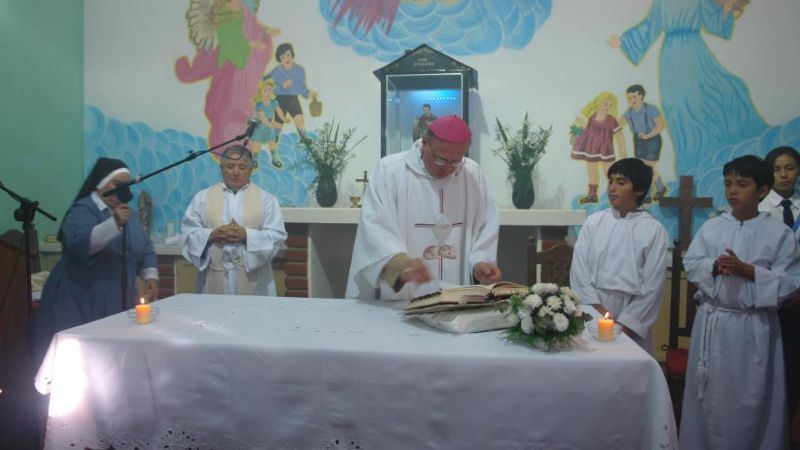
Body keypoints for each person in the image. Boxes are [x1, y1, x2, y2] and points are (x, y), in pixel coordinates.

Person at [679, 155, 800, 450]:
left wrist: (749, 271)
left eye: (742, 185)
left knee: (747, 401)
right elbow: (692, 263)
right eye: (728, 184)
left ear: (761, 191)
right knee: (705, 397)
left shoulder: (778, 233)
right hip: (713, 321)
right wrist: (713, 267)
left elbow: (792, 281)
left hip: (752, 328)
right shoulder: (712, 227)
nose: (732, 191)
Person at [346, 115, 502, 301]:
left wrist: (480, 262)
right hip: (403, 298)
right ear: (425, 142)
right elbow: (375, 227)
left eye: (455, 161)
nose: (448, 169)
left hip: (456, 298)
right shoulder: (390, 171)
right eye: (441, 160)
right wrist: (399, 265)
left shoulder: (472, 174)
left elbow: (485, 225)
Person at [34, 158, 159, 359]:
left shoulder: (130, 214)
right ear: (101, 185)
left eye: (125, 185)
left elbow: (144, 247)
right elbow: (80, 244)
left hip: (119, 296)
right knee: (82, 355)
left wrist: (150, 276)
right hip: (81, 294)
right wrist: (114, 223)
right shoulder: (83, 210)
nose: (121, 190)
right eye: (117, 185)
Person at [569, 158, 667, 353]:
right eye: (610, 181)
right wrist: (598, 312)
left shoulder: (653, 230)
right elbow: (579, 271)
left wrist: (626, 324)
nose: (612, 188)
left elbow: (653, 285)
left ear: (638, 190)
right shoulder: (594, 223)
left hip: (632, 311)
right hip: (594, 306)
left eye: (621, 183)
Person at [182, 145, 287, 295]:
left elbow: (277, 237)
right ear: (221, 168)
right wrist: (211, 235)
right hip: (214, 276)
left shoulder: (267, 200)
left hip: (254, 280)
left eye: (242, 167)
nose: (236, 172)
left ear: (251, 170)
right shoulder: (202, 198)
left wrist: (247, 236)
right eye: (230, 166)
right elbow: (188, 234)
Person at [759, 145, 800, 430]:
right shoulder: (759, 210)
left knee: (794, 369)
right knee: (768, 368)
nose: (784, 175)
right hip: (769, 299)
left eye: (790, 167)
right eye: (777, 168)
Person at [570, 91, 628, 204]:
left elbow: (619, 137)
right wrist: (575, 134)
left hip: (605, 150)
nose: (608, 107)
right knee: (592, 171)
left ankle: (619, 194)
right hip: (591, 149)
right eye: (606, 104)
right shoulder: (592, 117)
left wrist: (623, 151)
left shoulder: (612, 120)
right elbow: (586, 130)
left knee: (610, 173)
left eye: (610, 105)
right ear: (599, 103)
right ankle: (592, 195)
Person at [617, 84, 667, 202]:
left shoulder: (651, 109)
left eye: (634, 97)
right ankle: (659, 187)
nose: (631, 100)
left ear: (641, 96)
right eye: (629, 98)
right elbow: (617, 125)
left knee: (648, 167)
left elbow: (661, 125)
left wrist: (648, 135)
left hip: (652, 139)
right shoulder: (628, 113)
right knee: (643, 167)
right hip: (638, 140)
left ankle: (649, 192)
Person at [265, 43, 318, 134]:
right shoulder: (277, 71)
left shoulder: (300, 70)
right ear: (279, 59)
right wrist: (281, 86)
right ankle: (274, 144)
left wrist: (310, 93)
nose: (286, 59)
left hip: (293, 100)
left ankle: (304, 143)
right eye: (282, 57)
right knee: (278, 127)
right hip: (280, 101)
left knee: (300, 121)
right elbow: (265, 82)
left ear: (292, 55)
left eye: (288, 55)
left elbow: (302, 89)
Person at [250, 77, 286, 168]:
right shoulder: (259, 105)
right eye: (265, 90)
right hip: (260, 126)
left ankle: (275, 158)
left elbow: (279, 111)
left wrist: (283, 119)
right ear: (260, 92)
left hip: (269, 126)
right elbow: (263, 119)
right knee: (256, 144)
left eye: (270, 89)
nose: (268, 92)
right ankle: (255, 159)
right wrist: (274, 125)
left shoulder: (274, 102)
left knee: (272, 142)